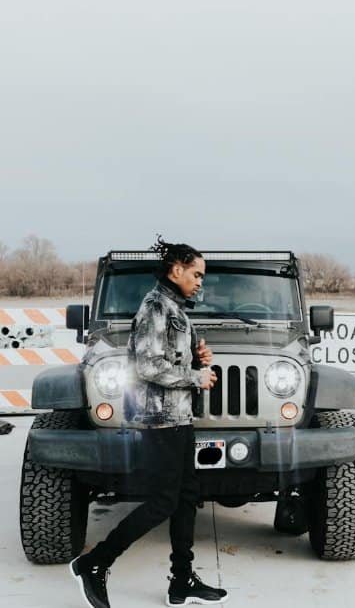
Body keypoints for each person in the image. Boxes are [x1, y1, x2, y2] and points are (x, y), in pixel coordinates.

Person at [70, 236, 230, 608]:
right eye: (197, 273)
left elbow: (167, 357)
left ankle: (182, 580)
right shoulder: (156, 307)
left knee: (187, 497)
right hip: (160, 419)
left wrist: (195, 355)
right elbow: (147, 366)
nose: (200, 281)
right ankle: (95, 563)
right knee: (163, 502)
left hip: (178, 416)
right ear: (176, 270)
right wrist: (196, 377)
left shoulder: (175, 309)